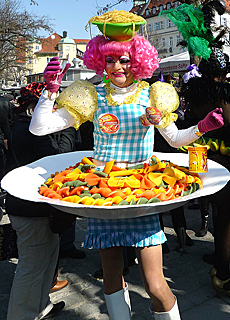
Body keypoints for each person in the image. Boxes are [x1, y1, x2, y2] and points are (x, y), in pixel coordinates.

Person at [28, 10, 224, 320]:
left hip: (142, 195)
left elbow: (174, 139)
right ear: (99, 61)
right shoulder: (90, 97)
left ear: (138, 60)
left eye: (124, 59)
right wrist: (50, 92)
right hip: (105, 194)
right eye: (110, 60)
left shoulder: (153, 95)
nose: (117, 66)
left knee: (155, 283)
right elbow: (39, 128)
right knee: (110, 276)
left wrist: (201, 127)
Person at [5, 82, 79, 320]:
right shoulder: (30, 130)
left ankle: (41, 306)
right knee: (31, 266)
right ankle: (21, 315)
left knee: (47, 260)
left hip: (38, 207)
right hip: (30, 209)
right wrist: (69, 128)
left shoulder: (22, 125)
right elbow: (60, 159)